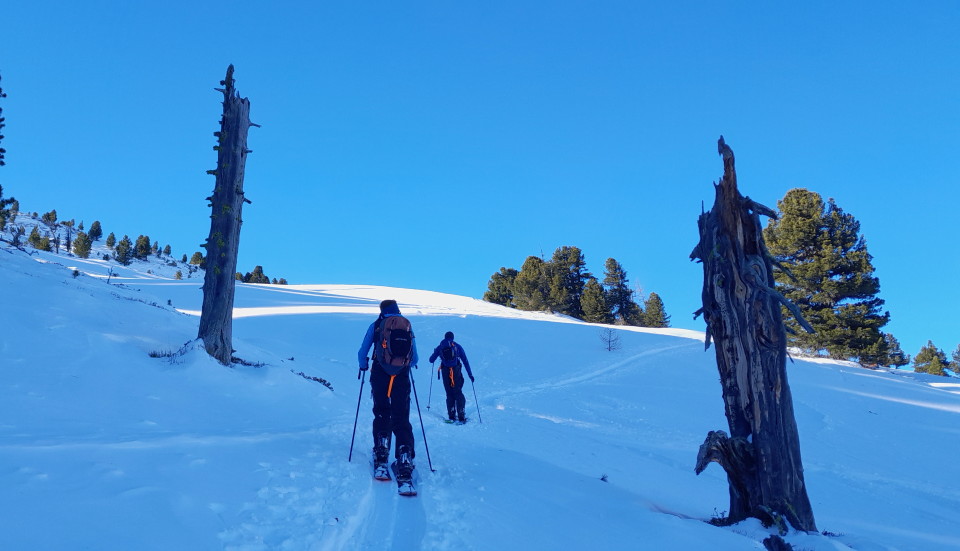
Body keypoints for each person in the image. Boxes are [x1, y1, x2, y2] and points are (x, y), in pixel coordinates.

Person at [357, 299, 419, 488]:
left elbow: (362, 351)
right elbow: (415, 357)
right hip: (401, 375)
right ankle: (405, 457)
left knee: (382, 410)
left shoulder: (377, 324)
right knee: (401, 416)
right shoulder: (407, 325)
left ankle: (382, 450)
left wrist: (364, 365)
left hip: (380, 372)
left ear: (382, 310)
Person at [428, 331, 474, 423]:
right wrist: (470, 374)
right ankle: (461, 414)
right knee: (458, 391)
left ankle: (451, 415)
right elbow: (465, 361)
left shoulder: (440, 346)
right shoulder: (457, 346)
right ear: (453, 337)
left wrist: (435, 352)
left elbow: (431, 360)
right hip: (456, 370)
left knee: (449, 393)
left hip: (445, 371)